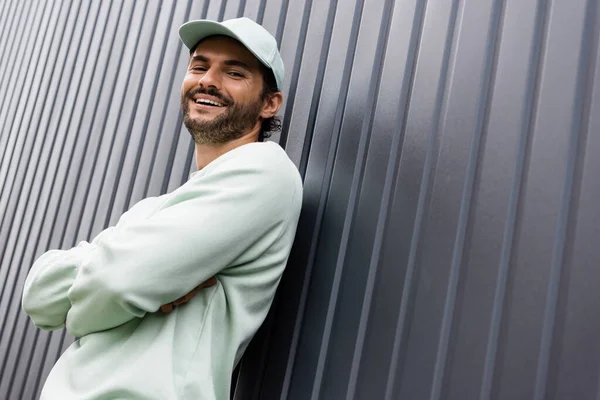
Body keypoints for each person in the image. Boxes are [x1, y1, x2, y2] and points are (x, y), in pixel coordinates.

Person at [22, 17, 302, 400]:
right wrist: (127, 283)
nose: (208, 80)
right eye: (199, 66)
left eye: (234, 72)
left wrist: (93, 296)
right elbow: (37, 296)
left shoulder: (265, 172)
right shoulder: (152, 210)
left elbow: (116, 281)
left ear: (269, 103)